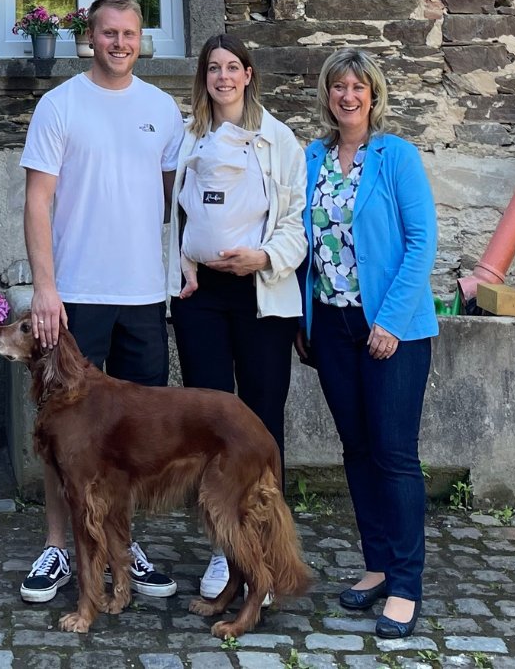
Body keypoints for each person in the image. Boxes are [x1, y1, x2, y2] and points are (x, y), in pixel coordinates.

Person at [17, 0, 186, 604]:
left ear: (142, 40)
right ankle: (57, 548)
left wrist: (180, 268)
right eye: (109, 33)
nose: (119, 43)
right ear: (90, 37)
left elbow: (174, 202)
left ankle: (122, 545)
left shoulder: (162, 109)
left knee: (131, 434)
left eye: (129, 33)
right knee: (64, 430)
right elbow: (38, 201)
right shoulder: (60, 105)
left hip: (142, 294)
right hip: (75, 295)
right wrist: (45, 288)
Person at [299, 48, 438, 638]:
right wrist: (302, 320)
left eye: (358, 87)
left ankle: (406, 584)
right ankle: (378, 564)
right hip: (332, 327)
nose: (348, 96)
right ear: (327, 96)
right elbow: (299, 239)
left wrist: (391, 321)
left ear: (373, 95)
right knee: (356, 450)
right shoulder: (312, 158)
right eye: (339, 87)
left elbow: (422, 241)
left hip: (392, 330)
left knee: (394, 454)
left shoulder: (395, 156)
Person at [164, 34, 306, 603]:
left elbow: (297, 220)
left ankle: (266, 550)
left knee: (261, 422)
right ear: (204, 77)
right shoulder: (187, 136)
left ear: (249, 74)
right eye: (213, 68)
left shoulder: (280, 140)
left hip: (261, 295)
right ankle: (226, 548)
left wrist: (264, 257)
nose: (222, 77)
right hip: (201, 296)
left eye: (232, 67)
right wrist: (182, 263)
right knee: (209, 424)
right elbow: (171, 215)